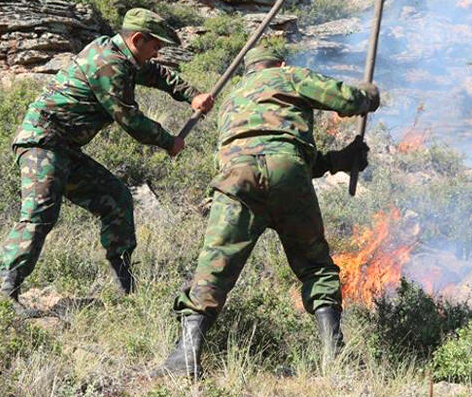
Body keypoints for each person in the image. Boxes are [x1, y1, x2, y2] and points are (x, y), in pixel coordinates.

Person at [159, 46, 379, 378]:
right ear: (280, 63)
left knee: (214, 266)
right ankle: (334, 355)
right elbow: (344, 102)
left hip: (235, 180)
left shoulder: (233, 99)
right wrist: (368, 96)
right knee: (315, 265)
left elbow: (261, 150)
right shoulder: (289, 76)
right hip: (288, 173)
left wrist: (339, 161)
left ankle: (185, 357)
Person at [0, 8, 214, 313]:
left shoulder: (122, 54)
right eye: (156, 46)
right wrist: (170, 142)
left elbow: (156, 73)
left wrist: (191, 95)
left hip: (66, 148)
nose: (157, 53)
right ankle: (6, 294)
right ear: (138, 39)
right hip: (42, 143)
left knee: (116, 199)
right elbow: (130, 120)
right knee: (40, 213)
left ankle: (124, 284)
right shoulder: (108, 63)